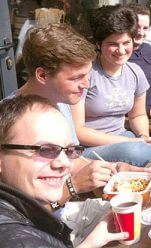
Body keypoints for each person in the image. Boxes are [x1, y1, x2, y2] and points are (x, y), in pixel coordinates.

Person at [13, 23, 151, 205]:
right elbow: (19, 210)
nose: (86, 84)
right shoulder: (13, 121)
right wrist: (74, 186)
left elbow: (72, 160)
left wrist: (113, 170)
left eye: (86, 75)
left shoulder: (60, 101)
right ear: (42, 75)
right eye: (76, 77)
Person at [0, 94, 128, 247]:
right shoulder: (14, 238)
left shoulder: (20, 207)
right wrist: (73, 187)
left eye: (69, 150)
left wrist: (90, 243)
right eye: (45, 150)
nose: (65, 163)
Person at [71, 6, 151, 166]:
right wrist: (126, 142)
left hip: (126, 139)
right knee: (134, 152)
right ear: (98, 44)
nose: (121, 50)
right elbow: (78, 130)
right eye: (113, 44)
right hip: (88, 147)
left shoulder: (135, 72)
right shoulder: (86, 74)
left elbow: (137, 115)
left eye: (126, 43)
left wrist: (143, 136)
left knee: (145, 152)